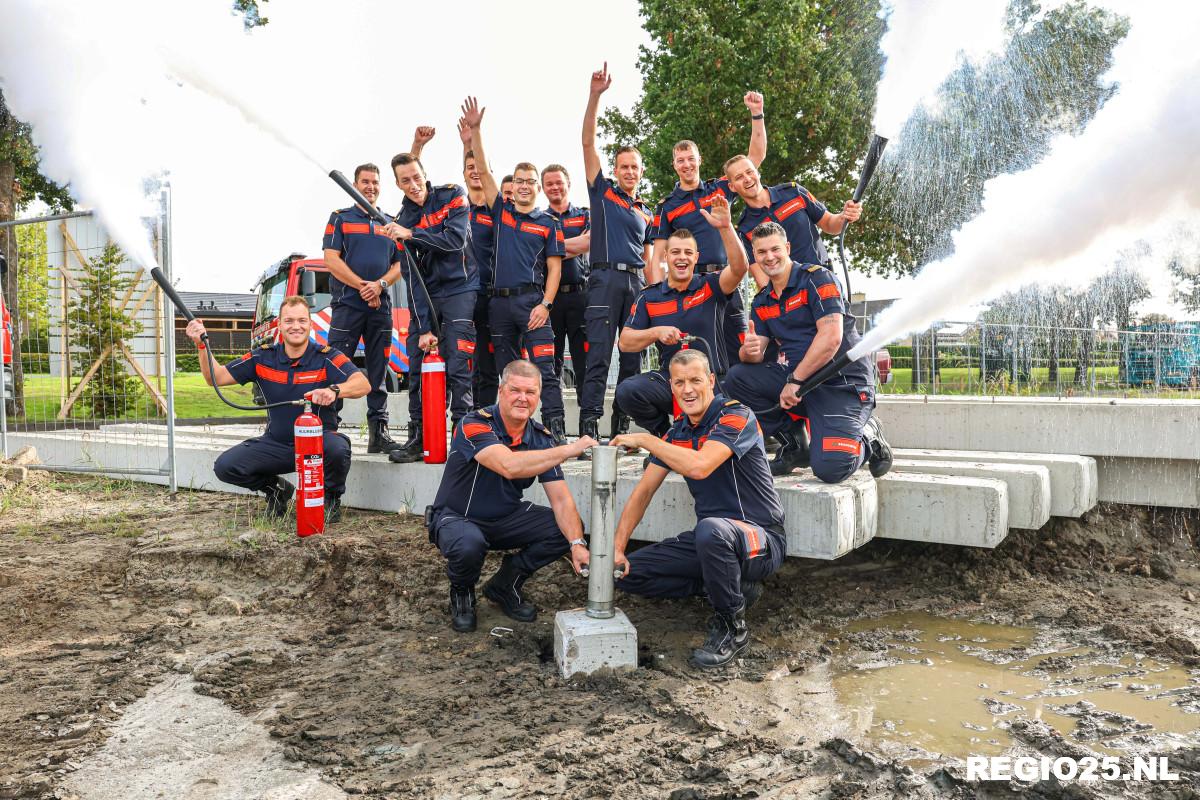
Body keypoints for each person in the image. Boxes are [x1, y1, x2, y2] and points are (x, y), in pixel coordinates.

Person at [610, 349, 786, 668]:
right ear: (671, 387)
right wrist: (617, 549)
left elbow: (701, 466)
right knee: (625, 574)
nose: (687, 389)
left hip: (761, 539)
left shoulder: (736, 415)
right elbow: (644, 491)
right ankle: (729, 588)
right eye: (679, 382)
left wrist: (647, 441)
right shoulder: (677, 432)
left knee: (711, 529)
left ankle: (732, 628)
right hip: (713, 541)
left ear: (711, 381)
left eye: (695, 380)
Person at [428, 360, 597, 632]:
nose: (523, 398)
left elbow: (562, 500)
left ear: (539, 397)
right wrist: (569, 449)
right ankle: (462, 592)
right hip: (458, 518)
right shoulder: (474, 424)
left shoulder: (541, 438)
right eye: (516, 390)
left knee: (564, 529)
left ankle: (505, 584)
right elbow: (508, 466)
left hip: (505, 518)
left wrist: (576, 543)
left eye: (530, 392)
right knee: (468, 545)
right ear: (501, 391)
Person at [723, 221, 892, 480]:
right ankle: (795, 446)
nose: (769, 257)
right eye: (761, 252)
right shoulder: (762, 300)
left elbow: (831, 338)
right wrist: (749, 349)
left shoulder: (817, 279)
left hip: (841, 383)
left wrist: (795, 380)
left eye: (775, 249)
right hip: (802, 384)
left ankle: (870, 433)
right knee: (738, 377)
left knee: (831, 468)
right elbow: (755, 356)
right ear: (754, 257)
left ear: (787, 247)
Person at [188, 297, 370, 522]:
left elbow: (363, 384)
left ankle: (329, 500)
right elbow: (215, 377)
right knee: (226, 466)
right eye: (289, 320)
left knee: (337, 448)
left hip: (317, 443)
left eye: (302, 320)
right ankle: (277, 491)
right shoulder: (262, 357)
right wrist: (201, 344)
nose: (296, 326)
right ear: (280, 325)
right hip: (277, 445)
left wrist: (335, 389)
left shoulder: (327, 357)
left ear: (310, 324)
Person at [460, 96, 569, 442]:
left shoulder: (549, 223)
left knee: (545, 371)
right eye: (519, 179)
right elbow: (485, 172)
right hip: (499, 307)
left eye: (529, 180)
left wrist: (546, 305)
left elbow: (555, 269)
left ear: (537, 187)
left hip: (532, 304)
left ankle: (556, 430)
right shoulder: (501, 211)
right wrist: (476, 131)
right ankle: (509, 432)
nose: (523, 185)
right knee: (508, 375)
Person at [648, 92, 766, 367]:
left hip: (728, 280)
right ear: (674, 165)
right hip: (692, 287)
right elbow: (658, 257)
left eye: (691, 158)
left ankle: (738, 408)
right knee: (697, 358)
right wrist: (657, 297)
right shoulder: (666, 206)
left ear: (699, 159)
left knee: (739, 352)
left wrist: (756, 114)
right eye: (680, 160)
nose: (686, 164)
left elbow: (754, 160)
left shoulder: (719, 188)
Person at [615, 195, 747, 439]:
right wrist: (656, 332)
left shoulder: (711, 286)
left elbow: (739, 268)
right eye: (675, 252)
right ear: (666, 257)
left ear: (696, 258)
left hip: (712, 381)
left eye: (688, 252)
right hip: (672, 381)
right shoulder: (649, 297)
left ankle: (696, 434)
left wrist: (726, 227)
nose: (681, 257)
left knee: (714, 440)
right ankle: (668, 437)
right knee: (627, 391)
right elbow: (625, 341)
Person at [383, 148, 478, 463]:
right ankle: (419, 437)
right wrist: (423, 328)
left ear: (424, 173)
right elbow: (410, 277)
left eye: (416, 177)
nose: (413, 184)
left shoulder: (452, 195)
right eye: (405, 181)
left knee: (458, 364)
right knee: (415, 363)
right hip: (428, 295)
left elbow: (454, 241)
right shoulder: (402, 219)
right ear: (398, 185)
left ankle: (462, 439)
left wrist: (412, 234)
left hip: (461, 288)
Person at [579, 62, 655, 445]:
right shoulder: (603, 193)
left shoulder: (647, 211)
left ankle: (621, 421)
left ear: (641, 172)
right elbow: (588, 143)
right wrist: (595, 96)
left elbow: (652, 257)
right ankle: (589, 422)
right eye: (623, 166)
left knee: (632, 358)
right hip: (605, 279)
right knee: (598, 357)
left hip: (637, 283)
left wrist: (656, 295)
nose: (629, 171)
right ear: (615, 169)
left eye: (635, 167)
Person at [322, 163, 404, 455]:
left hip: (380, 307)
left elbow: (399, 265)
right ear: (354, 185)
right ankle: (328, 429)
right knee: (336, 366)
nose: (371, 186)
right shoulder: (340, 218)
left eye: (375, 182)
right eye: (365, 182)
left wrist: (380, 285)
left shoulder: (390, 221)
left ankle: (378, 433)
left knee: (378, 372)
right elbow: (331, 259)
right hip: (348, 306)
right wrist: (362, 286)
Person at [722, 154, 862, 288]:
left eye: (749, 172)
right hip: (788, 297)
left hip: (823, 280)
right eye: (739, 177)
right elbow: (763, 281)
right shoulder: (744, 228)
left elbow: (830, 224)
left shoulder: (794, 192)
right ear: (732, 187)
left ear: (757, 173)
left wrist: (844, 216)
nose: (747, 179)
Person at [457, 120, 499, 410]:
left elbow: (479, 167)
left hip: (490, 295)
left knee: (486, 362)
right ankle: (463, 419)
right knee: (461, 362)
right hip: (461, 296)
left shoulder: (496, 211)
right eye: (468, 169)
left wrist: (473, 144)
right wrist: (466, 145)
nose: (474, 173)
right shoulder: (458, 209)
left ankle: (485, 417)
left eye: (479, 169)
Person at [541, 164, 590, 389]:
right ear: (542, 188)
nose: (555, 187)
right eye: (549, 184)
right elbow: (536, 253)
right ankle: (555, 419)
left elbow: (588, 242)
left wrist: (551, 249)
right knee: (552, 362)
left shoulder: (584, 215)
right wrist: (574, 246)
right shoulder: (539, 220)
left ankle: (587, 420)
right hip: (551, 299)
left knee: (584, 363)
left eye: (559, 182)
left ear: (568, 184)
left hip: (581, 296)